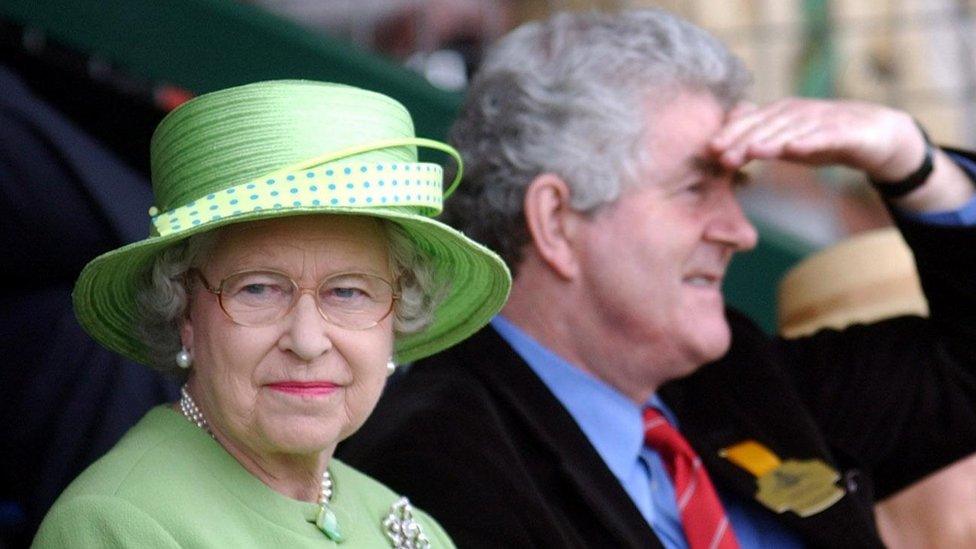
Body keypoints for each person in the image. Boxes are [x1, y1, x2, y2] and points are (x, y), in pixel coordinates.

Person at [338, 9, 976, 548]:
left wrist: (915, 166)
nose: (740, 231)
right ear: (557, 222)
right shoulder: (436, 458)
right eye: (696, 188)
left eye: (737, 191)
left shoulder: (743, 383)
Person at [32, 80, 510, 547]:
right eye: (257, 289)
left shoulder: (405, 525)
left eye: (348, 292)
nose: (307, 340)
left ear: (395, 316)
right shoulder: (117, 526)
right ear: (185, 315)